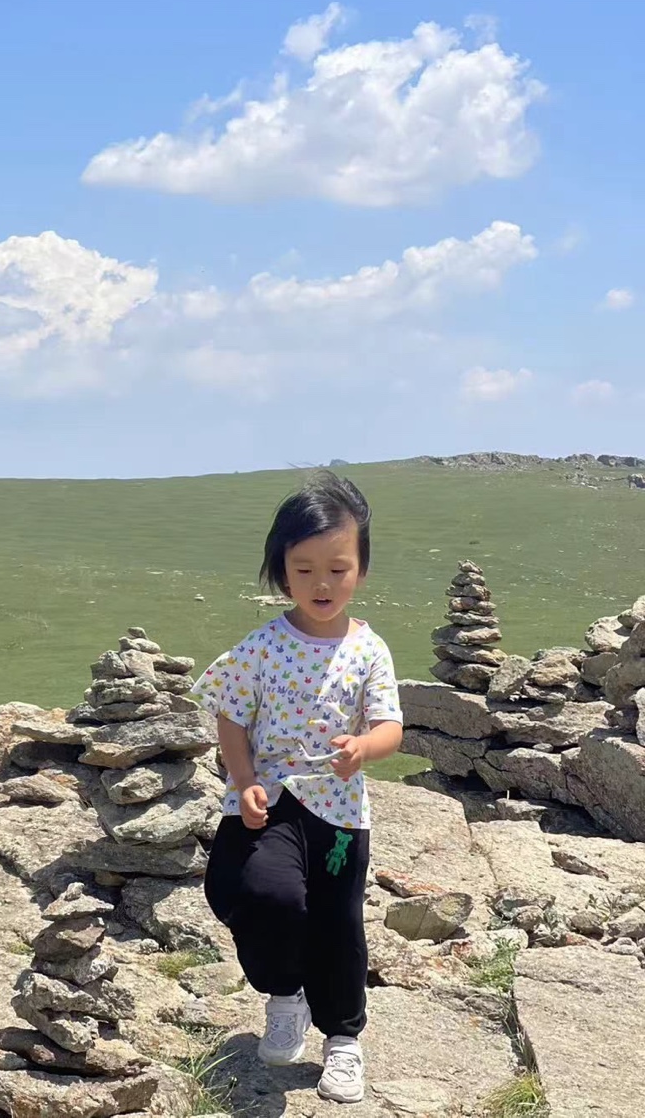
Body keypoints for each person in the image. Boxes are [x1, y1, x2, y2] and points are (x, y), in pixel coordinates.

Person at [190, 471, 402, 1105]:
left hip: (339, 813)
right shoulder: (262, 646)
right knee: (256, 893)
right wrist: (243, 781)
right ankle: (285, 994)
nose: (321, 584)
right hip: (270, 803)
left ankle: (343, 1039)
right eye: (304, 569)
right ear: (282, 571)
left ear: (361, 569)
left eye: (338, 569)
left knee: (339, 924)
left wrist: (363, 748)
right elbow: (231, 715)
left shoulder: (370, 650)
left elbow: (390, 726)